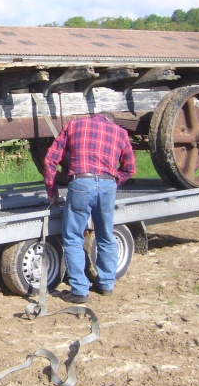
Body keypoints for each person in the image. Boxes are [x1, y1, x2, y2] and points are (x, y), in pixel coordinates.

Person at [43, 112, 136, 303]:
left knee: (73, 237)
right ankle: (106, 284)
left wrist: (52, 190)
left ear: (94, 117)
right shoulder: (120, 133)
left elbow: (50, 159)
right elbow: (130, 168)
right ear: (110, 121)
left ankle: (79, 289)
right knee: (106, 235)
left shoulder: (74, 125)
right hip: (108, 185)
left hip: (81, 183)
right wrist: (111, 182)